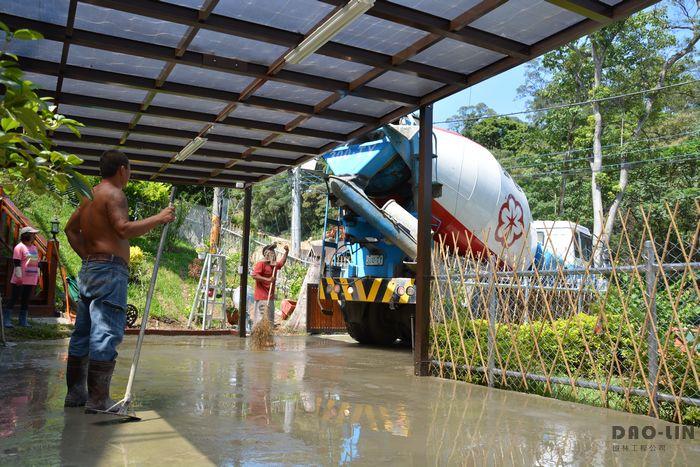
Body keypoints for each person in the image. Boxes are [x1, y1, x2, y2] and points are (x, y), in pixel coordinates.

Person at [62, 149, 175, 413]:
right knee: (105, 332)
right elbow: (123, 228)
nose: (130, 175)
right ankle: (98, 400)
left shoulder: (89, 195)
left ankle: (76, 394)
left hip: (91, 269)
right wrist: (159, 218)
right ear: (122, 169)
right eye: (130, 170)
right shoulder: (114, 194)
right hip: (109, 271)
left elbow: (70, 229)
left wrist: (88, 256)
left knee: (83, 332)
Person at [2, 226, 41, 328]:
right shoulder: (19, 247)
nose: (34, 236)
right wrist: (19, 277)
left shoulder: (34, 248)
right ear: (26, 235)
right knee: (14, 298)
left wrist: (38, 277)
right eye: (32, 234)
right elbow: (17, 263)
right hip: (20, 279)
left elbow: (38, 263)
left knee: (25, 300)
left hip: (31, 279)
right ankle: (6, 320)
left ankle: (23, 321)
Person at [251, 244, 288, 326]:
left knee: (270, 319)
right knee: (261, 319)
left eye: (273, 253)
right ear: (266, 254)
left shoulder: (274, 265)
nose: (273, 254)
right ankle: (259, 335)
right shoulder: (261, 264)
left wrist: (286, 252)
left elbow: (282, 262)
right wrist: (268, 279)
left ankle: (268, 335)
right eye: (271, 253)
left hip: (270, 297)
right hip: (261, 297)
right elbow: (254, 275)